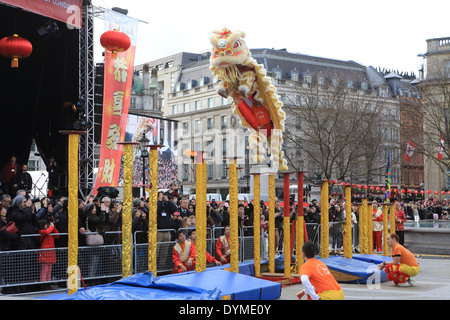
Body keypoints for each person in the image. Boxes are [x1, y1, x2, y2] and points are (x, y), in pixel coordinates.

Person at [37, 219, 59, 290]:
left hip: (50, 252)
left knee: (49, 270)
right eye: (47, 224)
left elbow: (57, 235)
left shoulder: (50, 231)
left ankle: (48, 284)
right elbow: (46, 232)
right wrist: (51, 227)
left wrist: (53, 227)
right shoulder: (41, 231)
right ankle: (43, 285)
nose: (48, 226)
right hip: (45, 253)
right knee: (44, 270)